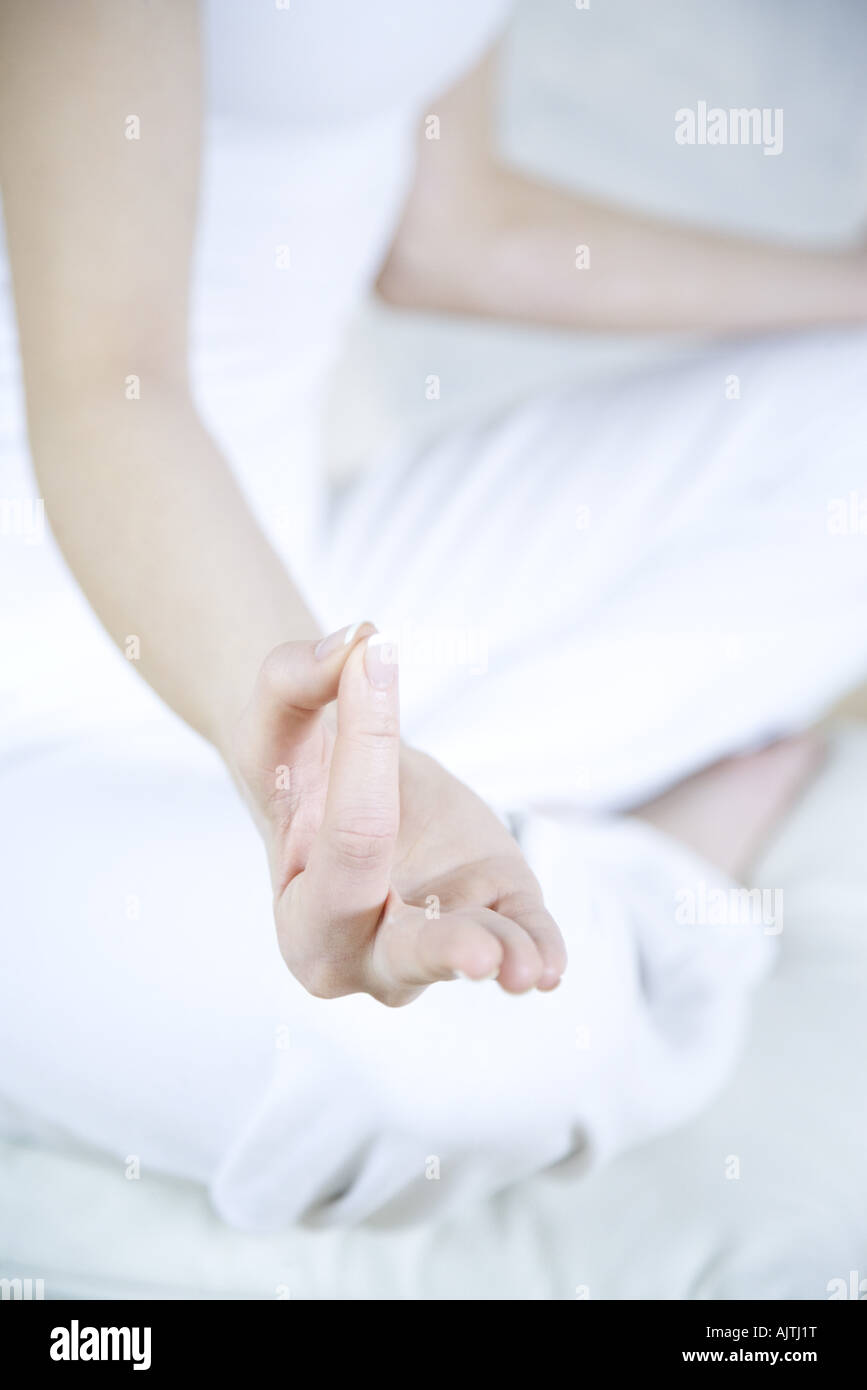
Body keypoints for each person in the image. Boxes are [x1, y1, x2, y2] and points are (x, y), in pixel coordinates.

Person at [1, 0, 866, 1229]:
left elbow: (456, 229)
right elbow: (106, 389)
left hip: (276, 581)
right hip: (53, 680)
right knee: (459, 1050)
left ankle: (456, 821)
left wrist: (855, 286)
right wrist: (310, 766)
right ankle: (639, 874)